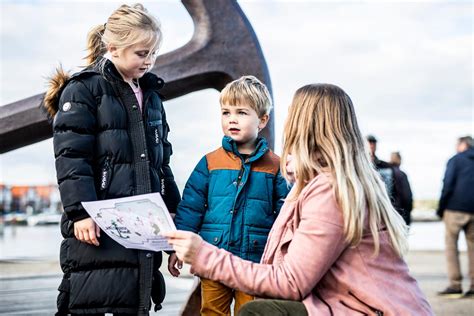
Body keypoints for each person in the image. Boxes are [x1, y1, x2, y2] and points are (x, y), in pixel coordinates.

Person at [163, 84, 433, 315]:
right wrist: (299, 177)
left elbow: (291, 282)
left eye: (292, 113)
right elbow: (194, 204)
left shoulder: (331, 190)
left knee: (259, 311)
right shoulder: (321, 181)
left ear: (303, 124)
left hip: (372, 309)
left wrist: (203, 254)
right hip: (358, 304)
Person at [43, 4, 180, 315]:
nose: (150, 61)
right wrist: (80, 212)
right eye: (142, 53)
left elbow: (162, 162)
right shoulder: (83, 90)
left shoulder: (152, 97)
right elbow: (71, 156)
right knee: (95, 298)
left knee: (135, 301)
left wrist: (173, 217)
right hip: (99, 220)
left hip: (143, 225)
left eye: (154, 53)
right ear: (113, 47)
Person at [168, 75, 290, 315]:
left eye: (242, 113)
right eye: (226, 112)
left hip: (254, 260)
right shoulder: (210, 163)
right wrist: (176, 249)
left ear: (262, 120)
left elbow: (285, 216)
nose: (232, 119)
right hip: (213, 255)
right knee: (212, 311)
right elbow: (191, 208)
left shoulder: (276, 166)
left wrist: (283, 258)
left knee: (251, 311)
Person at [437, 136, 474, 298]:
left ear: (462, 145)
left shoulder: (456, 160)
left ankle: (455, 284)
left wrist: (441, 208)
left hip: (454, 208)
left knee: (451, 247)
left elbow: (448, 184)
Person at [366, 135, 408, 224]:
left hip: (383, 210)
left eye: (374, 142)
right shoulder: (360, 166)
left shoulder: (385, 166)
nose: (372, 145)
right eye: (370, 142)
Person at [390, 151, 414, 225]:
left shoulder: (385, 172)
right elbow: (407, 197)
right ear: (399, 159)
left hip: (390, 213)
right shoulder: (401, 174)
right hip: (401, 213)